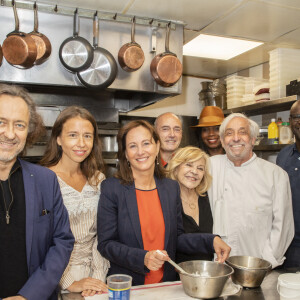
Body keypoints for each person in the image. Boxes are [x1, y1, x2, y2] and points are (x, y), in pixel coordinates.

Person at [97, 120, 231, 286]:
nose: (140, 151)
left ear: (157, 146)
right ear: (125, 153)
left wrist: (211, 241)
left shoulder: (170, 188)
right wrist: (142, 258)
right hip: (129, 286)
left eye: (146, 143)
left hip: (165, 284)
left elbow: (177, 238)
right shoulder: (112, 188)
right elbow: (106, 244)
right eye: (132, 146)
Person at [0, 84, 74, 300]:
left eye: (20, 125)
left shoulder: (45, 180)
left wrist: (28, 296)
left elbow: (62, 241)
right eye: (1, 122)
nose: (10, 133)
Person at [208, 113, 294, 268]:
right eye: (229, 133)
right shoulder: (209, 167)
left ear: (253, 139)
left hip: (258, 268)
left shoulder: (276, 175)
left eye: (242, 132)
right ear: (222, 141)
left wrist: (263, 263)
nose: (235, 138)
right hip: (216, 268)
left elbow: (283, 228)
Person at [40, 106, 109, 297]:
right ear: (58, 139)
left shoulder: (98, 179)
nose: (81, 143)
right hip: (53, 278)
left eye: (87, 136)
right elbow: (40, 241)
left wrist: (97, 277)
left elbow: (101, 236)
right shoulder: (43, 179)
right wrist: (69, 282)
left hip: (94, 278)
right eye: (73, 135)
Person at [167, 146, 213, 263]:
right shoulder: (166, 200)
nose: (194, 172)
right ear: (176, 168)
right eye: (189, 165)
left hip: (206, 272)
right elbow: (172, 240)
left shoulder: (206, 197)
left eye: (200, 168)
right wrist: (211, 240)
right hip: (176, 274)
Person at [276, 100, 300, 268]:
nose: (299, 121)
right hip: (290, 246)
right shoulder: (283, 156)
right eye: (296, 117)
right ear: (290, 121)